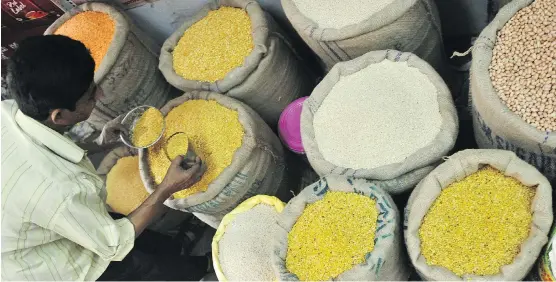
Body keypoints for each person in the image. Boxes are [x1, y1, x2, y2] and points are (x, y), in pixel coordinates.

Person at [1, 35, 208, 281]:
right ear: (58, 116)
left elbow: (49, 149)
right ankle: (201, 269)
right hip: (55, 265)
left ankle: (178, 250)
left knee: (143, 241)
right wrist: (166, 188)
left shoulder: (9, 110)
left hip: (28, 216)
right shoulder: (64, 190)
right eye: (89, 95)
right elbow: (114, 243)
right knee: (137, 265)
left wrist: (101, 143)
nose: (100, 95)